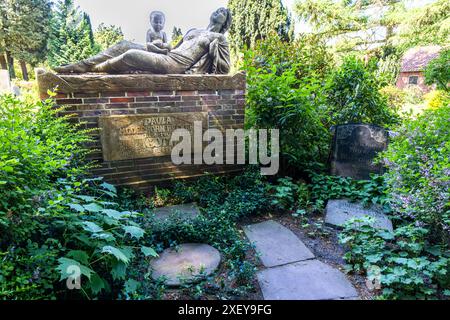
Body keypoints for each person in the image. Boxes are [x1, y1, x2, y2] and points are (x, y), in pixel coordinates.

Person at [53, 7, 232, 75]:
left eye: (222, 13)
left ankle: (92, 70)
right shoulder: (193, 30)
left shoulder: (219, 38)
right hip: (168, 55)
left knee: (130, 55)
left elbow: (224, 68)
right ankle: (80, 65)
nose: (218, 13)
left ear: (225, 22)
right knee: (124, 44)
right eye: (216, 11)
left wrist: (214, 50)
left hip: (175, 65)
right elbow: (173, 47)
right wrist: (161, 46)